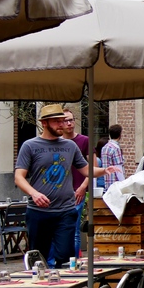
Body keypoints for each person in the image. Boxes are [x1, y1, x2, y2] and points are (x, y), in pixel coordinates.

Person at [14, 104, 119, 267]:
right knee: (38, 259)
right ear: (44, 123)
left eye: (62, 121)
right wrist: (34, 194)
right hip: (38, 212)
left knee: (65, 259)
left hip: (65, 211)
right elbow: (19, 177)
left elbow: (86, 169)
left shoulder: (70, 146)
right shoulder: (30, 146)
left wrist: (104, 170)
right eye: (57, 122)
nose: (62, 125)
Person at [60, 108, 88, 260]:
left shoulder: (84, 141)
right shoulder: (57, 142)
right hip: (60, 193)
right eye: (65, 120)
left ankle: (74, 263)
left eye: (71, 120)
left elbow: (92, 167)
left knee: (75, 231)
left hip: (77, 191)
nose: (69, 123)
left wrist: (83, 187)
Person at [101, 124, 124, 189]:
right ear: (120, 135)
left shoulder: (104, 147)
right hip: (116, 184)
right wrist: (123, 183)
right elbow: (118, 168)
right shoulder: (116, 148)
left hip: (107, 183)